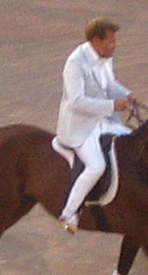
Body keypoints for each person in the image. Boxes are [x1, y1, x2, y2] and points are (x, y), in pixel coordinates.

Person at [56, 17, 136, 233]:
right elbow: (77, 101)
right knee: (96, 166)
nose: (114, 46)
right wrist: (112, 105)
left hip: (103, 120)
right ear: (96, 41)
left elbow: (110, 84)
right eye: (110, 42)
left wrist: (127, 95)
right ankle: (69, 212)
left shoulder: (104, 57)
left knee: (132, 142)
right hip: (80, 125)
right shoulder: (76, 63)